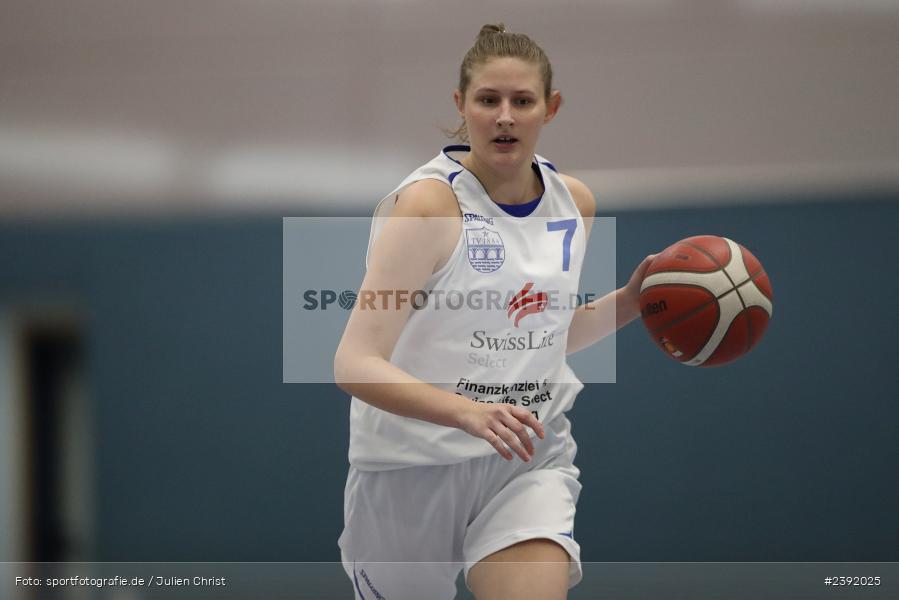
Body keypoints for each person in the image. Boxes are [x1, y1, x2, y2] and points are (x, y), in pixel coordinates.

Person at [334, 23, 654, 600]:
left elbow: (541, 334)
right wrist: (466, 412)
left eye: (522, 101)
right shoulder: (429, 204)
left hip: (525, 457)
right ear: (462, 105)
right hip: (409, 465)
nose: (505, 115)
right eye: (488, 100)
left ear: (550, 108)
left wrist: (630, 304)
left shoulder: (573, 202)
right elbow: (355, 363)